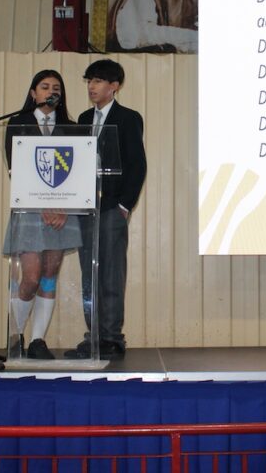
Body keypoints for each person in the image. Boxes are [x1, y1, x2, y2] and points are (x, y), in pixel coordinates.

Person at [64, 59, 147, 359]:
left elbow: (137, 165)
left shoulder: (128, 118)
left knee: (111, 273)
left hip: (112, 207)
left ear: (114, 86)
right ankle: (94, 337)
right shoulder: (84, 118)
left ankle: (112, 338)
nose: (92, 86)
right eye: (89, 81)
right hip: (86, 207)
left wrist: (125, 205)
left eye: (98, 81)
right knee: (90, 274)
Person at [2, 69, 81, 360]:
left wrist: (62, 206)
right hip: (31, 208)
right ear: (33, 93)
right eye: (44, 86)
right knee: (31, 277)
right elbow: (17, 169)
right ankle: (16, 335)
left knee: (49, 276)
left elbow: (78, 171)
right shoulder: (18, 123)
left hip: (63, 211)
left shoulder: (73, 128)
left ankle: (37, 341)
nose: (51, 91)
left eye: (56, 87)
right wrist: (45, 203)